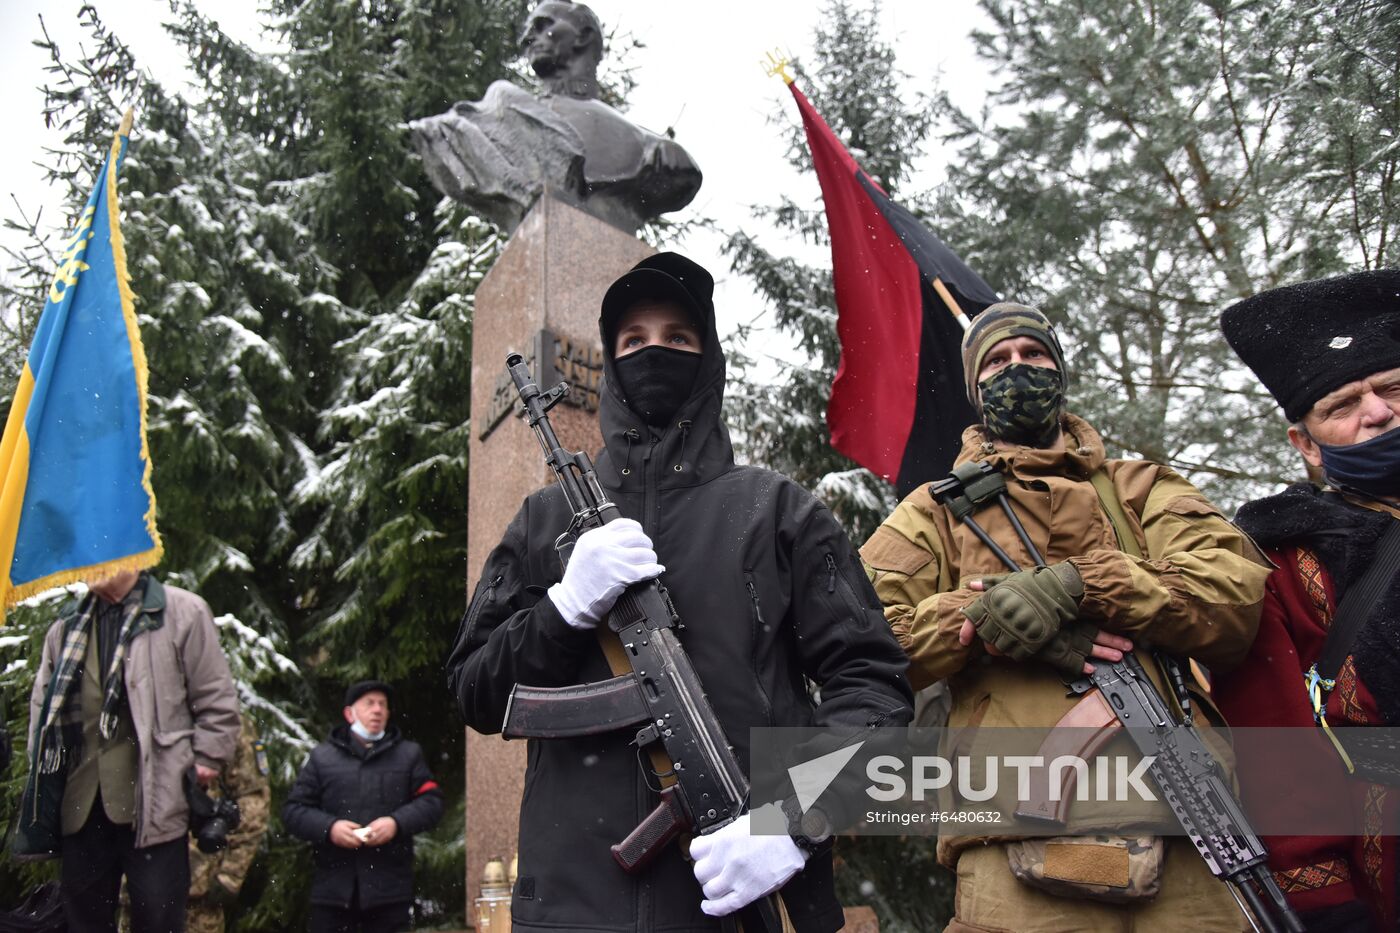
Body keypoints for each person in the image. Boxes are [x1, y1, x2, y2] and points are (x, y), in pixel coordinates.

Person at [447, 251, 914, 932]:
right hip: (576, 907)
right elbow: (475, 688)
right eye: (633, 340)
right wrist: (564, 608)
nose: (654, 352)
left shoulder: (778, 511)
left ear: (707, 359)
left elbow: (874, 693)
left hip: (747, 901)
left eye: (678, 338)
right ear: (610, 364)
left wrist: (791, 820)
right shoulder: (544, 523)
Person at [860, 303, 1270, 932]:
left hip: (1191, 822)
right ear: (975, 390)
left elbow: (1231, 600)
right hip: (1010, 837)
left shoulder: (1142, 488)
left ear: (1060, 371)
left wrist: (1080, 583)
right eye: (996, 361)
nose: (1016, 369)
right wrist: (981, 617)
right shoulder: (932, 514)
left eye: (1034, 354)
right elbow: (861, 642)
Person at [1214, 269, 1400, 932]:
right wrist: (1324, 903)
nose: (1378, 411)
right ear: (1306, 446)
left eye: (1394, 387)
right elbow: (1277, 750)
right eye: (1342, 405)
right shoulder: (1282, 565)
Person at [19, 568, 240, 933]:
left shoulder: (183, 611)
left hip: (155, 804)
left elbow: (216, 700)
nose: (91, 563)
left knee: (158, 921)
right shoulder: (67, 625)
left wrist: (205, 761)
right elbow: (42, 713)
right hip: (82, 804)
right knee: (83, 923)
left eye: (102, 551)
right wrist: (43, 771)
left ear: (133, 555)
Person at [410, 0, 701, 233]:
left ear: (583, 35)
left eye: (542, 25)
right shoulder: (482, 119)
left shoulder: (657, 153)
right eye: (527, 32)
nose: (528, 38)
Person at [283, 681, 444, 933]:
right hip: (333, 893)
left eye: (383, 704)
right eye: (369, 703)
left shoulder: (408, 755)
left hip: (389, 893)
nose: (377, 710)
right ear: (350, 713)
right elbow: (294, 810)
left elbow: (432, 803)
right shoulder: (322, 758)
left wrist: (396, 823)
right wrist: (330, 828)